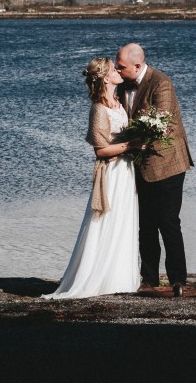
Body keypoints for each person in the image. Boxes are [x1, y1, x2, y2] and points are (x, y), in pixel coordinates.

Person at [42, 57, 142, 299]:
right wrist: (133, 144)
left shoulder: (119, 102)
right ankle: (99, 278)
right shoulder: (99, 108)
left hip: (126, 172)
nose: (119, 71)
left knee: (125, 222)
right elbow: (100, 150)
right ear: (106, 78)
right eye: (113, 69)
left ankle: (121, 278)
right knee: (107, 221)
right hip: (113, 174)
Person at [115, 43, 194, 297]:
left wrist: (126, 142)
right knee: (145, 225)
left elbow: (161, 123)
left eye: (121, 65)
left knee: (168, 222)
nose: (117, 68)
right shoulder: (121, 86)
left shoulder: (161, 83)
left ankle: (178, 280)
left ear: (138, 65)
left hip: (167, 162)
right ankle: (148, 279)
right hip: (139, 164)